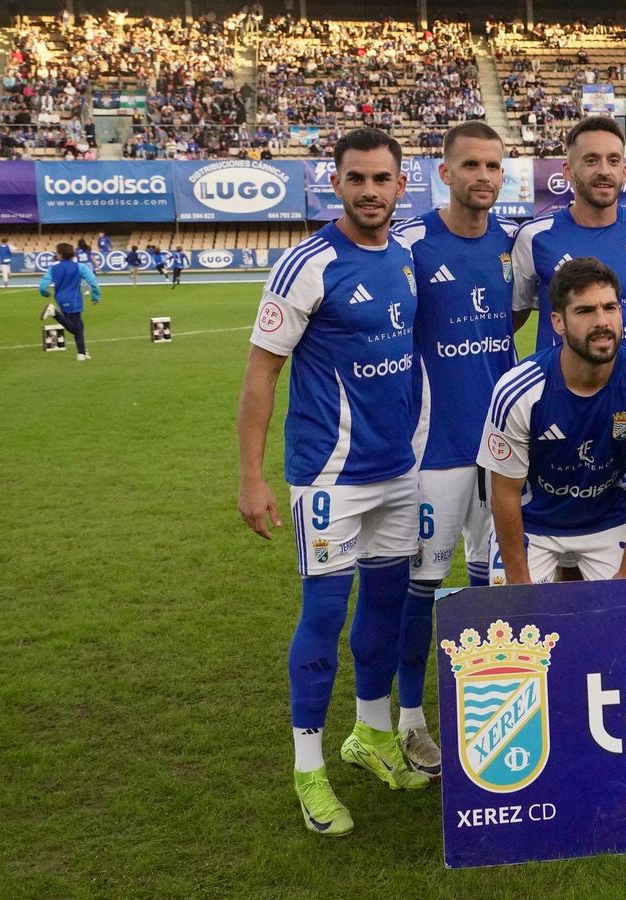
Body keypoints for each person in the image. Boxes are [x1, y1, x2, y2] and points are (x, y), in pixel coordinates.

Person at [236, 127, 430, 839]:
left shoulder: (406, 258)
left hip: (396, 474)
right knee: (323, 615)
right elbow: (262, 372)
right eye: (357, 178)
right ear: (336, 183)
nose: (371, 191)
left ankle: (371, 736)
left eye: (383, 178)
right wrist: (251, 478)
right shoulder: (306, 264)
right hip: (329, 477)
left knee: (384, 611)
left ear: (401, 184)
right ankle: (308, 768)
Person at [387, 121, 518, 777]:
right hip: (434, 451)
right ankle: (410, 723)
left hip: (500, 451)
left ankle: (485, 714)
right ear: (443, 172)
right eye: (471, 165)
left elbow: (515, 323)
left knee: (490, 584)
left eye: (494, 166)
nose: (484, 177)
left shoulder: (510, 246)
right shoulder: (411, 244)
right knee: (423, 586)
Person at [511, 115, 626, 574]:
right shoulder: (535, 237)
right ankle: (570, 641)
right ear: (567, 170)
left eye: (613, 160)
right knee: (568, 539)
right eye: (590, 160)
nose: (603, 170)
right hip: (567, 410)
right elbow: (519, 313)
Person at [478, 257, 626, 584]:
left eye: (610, 307)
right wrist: (518, 581)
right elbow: (505, 494)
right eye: (585, 311)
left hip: (607, 520)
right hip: (533, 524)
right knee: (516, 626)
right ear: (558, 322)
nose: (602, 321)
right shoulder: (517, 392)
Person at [38, 243, 101, 361]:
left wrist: (45, 293)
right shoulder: (79, 267)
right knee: (76, 328)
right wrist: (95, 296)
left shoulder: (53, 268)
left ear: (60, 254)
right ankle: (54, 313)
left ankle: (81, 353)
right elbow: (92, 281)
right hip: (74, 298)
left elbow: (43, 286)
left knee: (79, 325)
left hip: (60, 298)